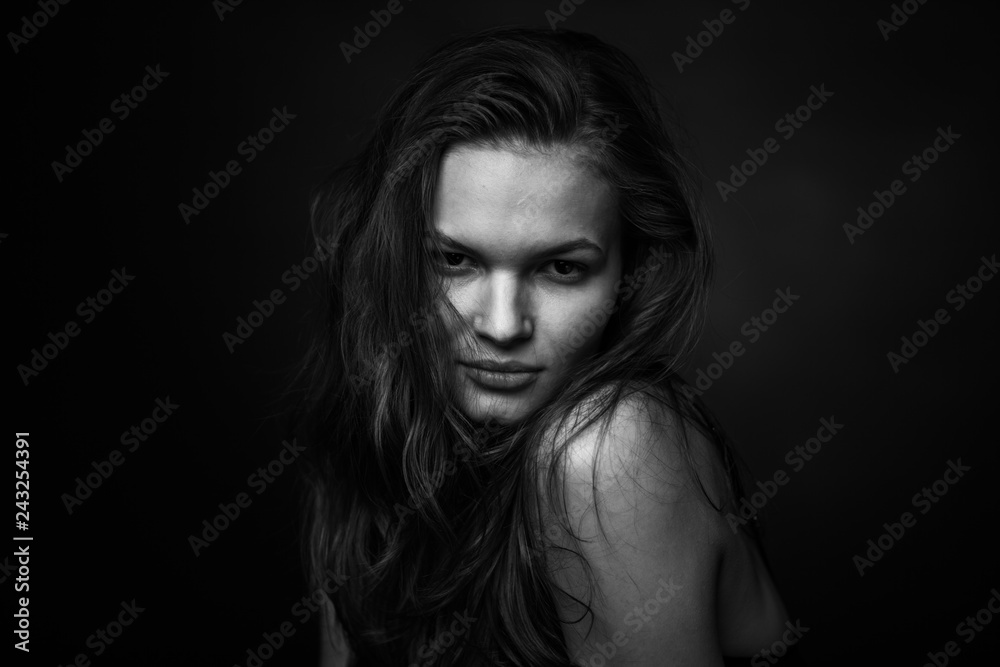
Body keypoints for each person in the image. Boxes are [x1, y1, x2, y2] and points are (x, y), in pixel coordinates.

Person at [296, 26, 791, 666]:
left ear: (628, 271)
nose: (502, 327)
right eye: (453, 260)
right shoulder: (373, 441)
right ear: (394, 257)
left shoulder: (606, 449)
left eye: (560, 269)